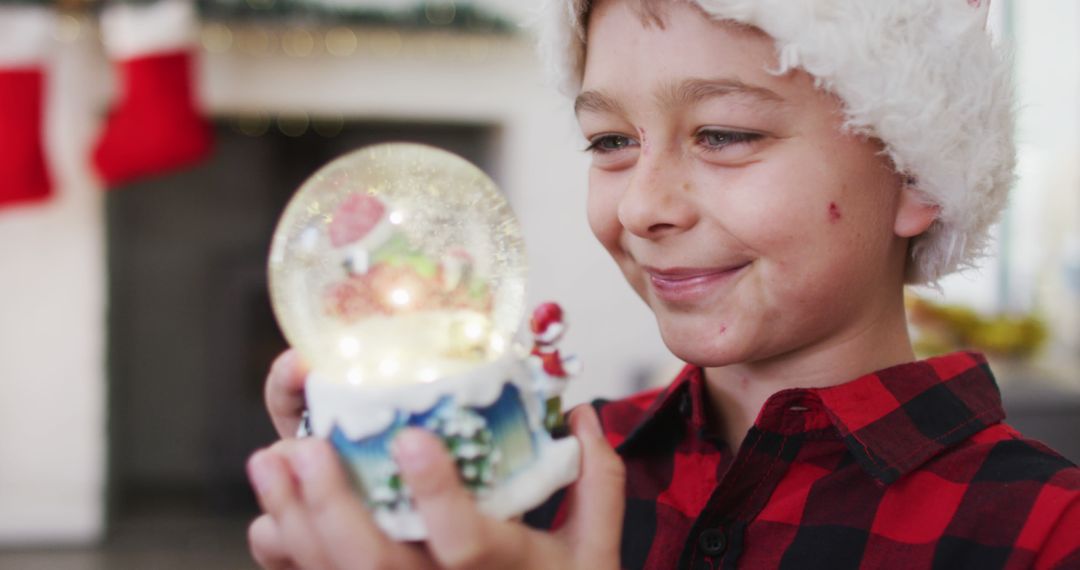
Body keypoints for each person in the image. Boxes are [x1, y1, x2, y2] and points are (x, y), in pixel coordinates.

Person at [245, 0, 1080, 568]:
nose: (642, 206)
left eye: (723, 134)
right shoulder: (534, 475)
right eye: (609, 142)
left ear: (915, 175)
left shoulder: (1045, 532)